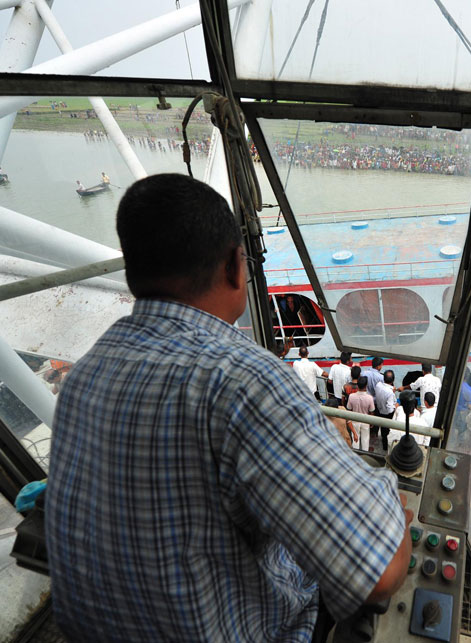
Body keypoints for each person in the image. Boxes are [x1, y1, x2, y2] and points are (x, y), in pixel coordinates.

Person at [44, 174, 411, 642]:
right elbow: (378, 571)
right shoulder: (246, 381)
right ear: (235, 268)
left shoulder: (87, 372)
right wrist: (392, 515)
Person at [347, 375, 376, 451]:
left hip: (354, 421)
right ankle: (365, 456)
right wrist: (371, 422)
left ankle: (355, 455)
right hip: (365, 421)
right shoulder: (370, 398)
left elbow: (349, 409)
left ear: (357, 385)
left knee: (355, 440)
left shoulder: (351, 396)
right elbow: (372, 411)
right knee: (365, 441)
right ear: (366, 386)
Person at [373, 370, 397, 451]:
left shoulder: (378, 385)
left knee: (383, 430)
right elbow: (390, 409)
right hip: (387, 414)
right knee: (388, 431)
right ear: (393, 380)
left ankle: (384, 446)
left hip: (379, 410)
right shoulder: (390, 393)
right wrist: (395, 406)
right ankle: (387, 447)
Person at [454, 369, 471, 433]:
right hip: (462, 413)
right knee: (462, 431)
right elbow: (470, 406)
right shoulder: (468, 389)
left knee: (451, 430)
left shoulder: (453, 385)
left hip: (453, 412)